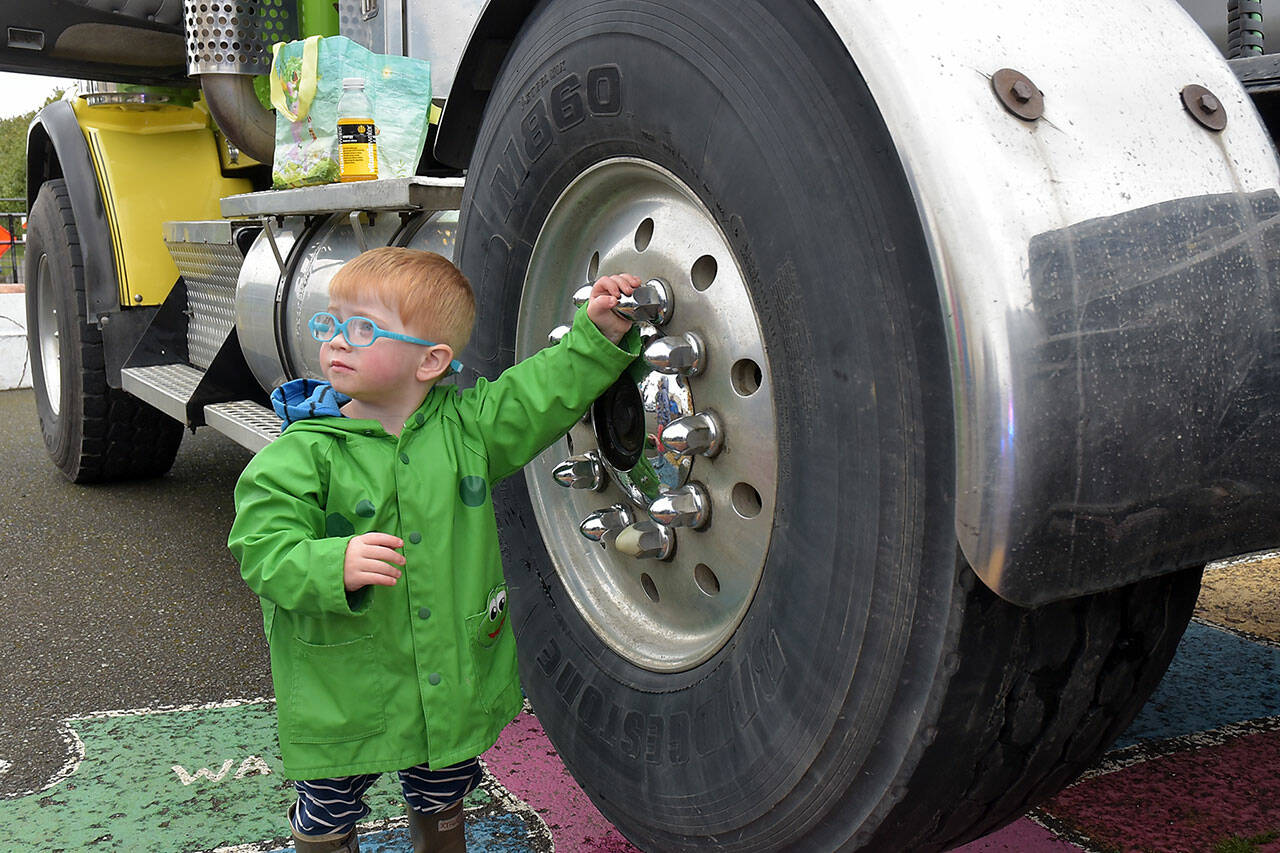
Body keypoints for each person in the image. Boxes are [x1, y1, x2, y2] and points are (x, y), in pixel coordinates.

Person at [227, 246, 640, 853]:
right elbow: (259, 546)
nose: (336, 341)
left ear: (431, 361)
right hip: (343, 686)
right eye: (331, 322)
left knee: (443, 782)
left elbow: (539, 392)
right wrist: (329, 563)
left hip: (444, 673)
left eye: (361, 328)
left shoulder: (469, 431)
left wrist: (598, 333)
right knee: (329, 801)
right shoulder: (302, 452)